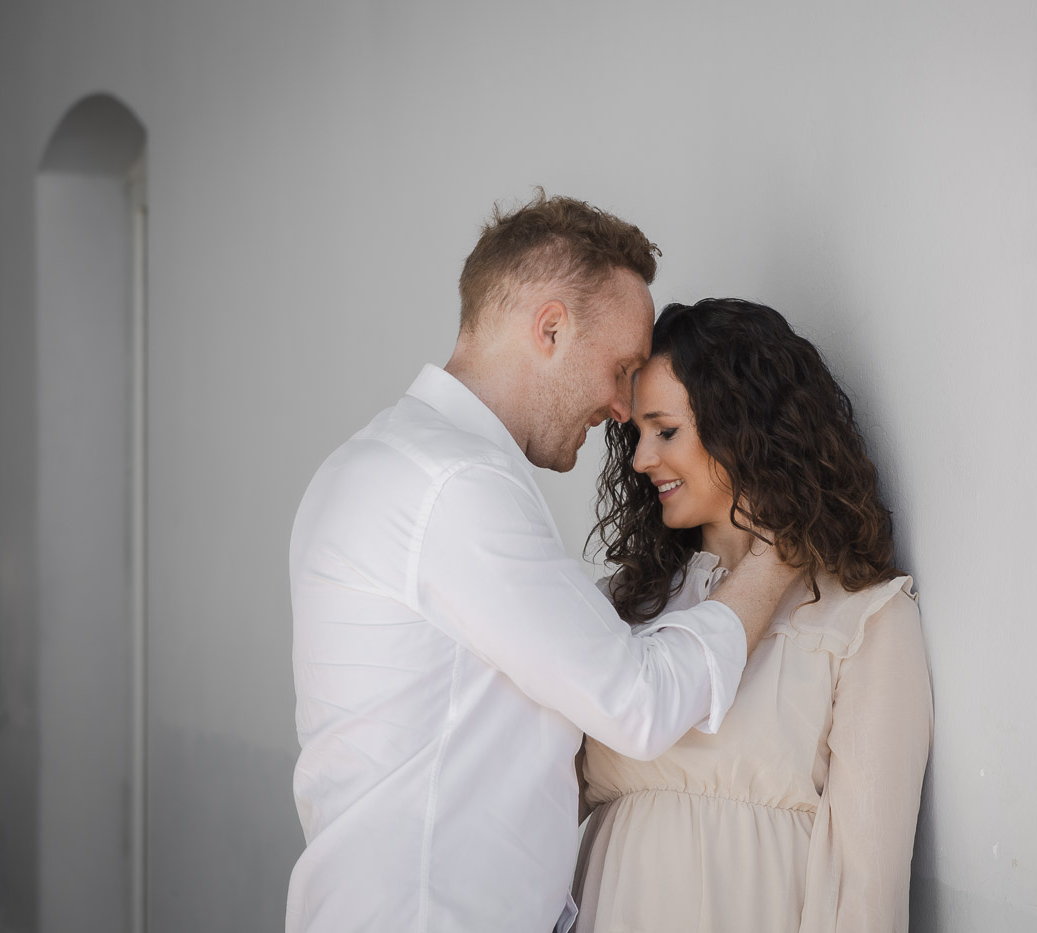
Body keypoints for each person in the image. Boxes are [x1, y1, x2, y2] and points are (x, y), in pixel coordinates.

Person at [286, 195, 796, 933]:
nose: (623, 408)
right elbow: (637, 703)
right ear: (550, 328)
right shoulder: (455, 488)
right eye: (621, 368)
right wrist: (776, 558)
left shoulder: (370, 463)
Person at [572, 298, 933, 932]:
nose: (640, 459)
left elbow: (865, 888)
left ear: (743, 427)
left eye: (666, 430)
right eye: (637, 435)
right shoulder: (620, 608)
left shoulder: (865, 620)